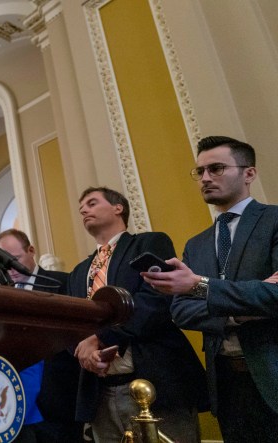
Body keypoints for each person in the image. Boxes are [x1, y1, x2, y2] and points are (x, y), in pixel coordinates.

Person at [142, 136, 278, 443]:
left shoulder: (274, 220)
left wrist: (200, 286)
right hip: (226, 384)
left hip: (272, 371)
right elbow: (180, 310)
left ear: (249, 173)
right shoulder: (197, 243)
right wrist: (242, 312)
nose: (205, 178)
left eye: (216, 168)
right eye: (200, 171)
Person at [69, 186, 208, 443]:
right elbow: (71, 324)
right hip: (100, 393)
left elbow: (155, 302)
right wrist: (81, 349)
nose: (84, 211)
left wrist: (100, 337)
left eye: (91, 203)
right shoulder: (78, 272)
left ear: (118, 207)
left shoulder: (148, 243)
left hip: (156, 381)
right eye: (81, 209)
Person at [0, 229, 81, 443]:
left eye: (15, 259)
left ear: (31, 250)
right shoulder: (1, 294)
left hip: (59, 395)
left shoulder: (62, 282)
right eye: (3, 261)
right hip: (18, 400)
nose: (10, 268)